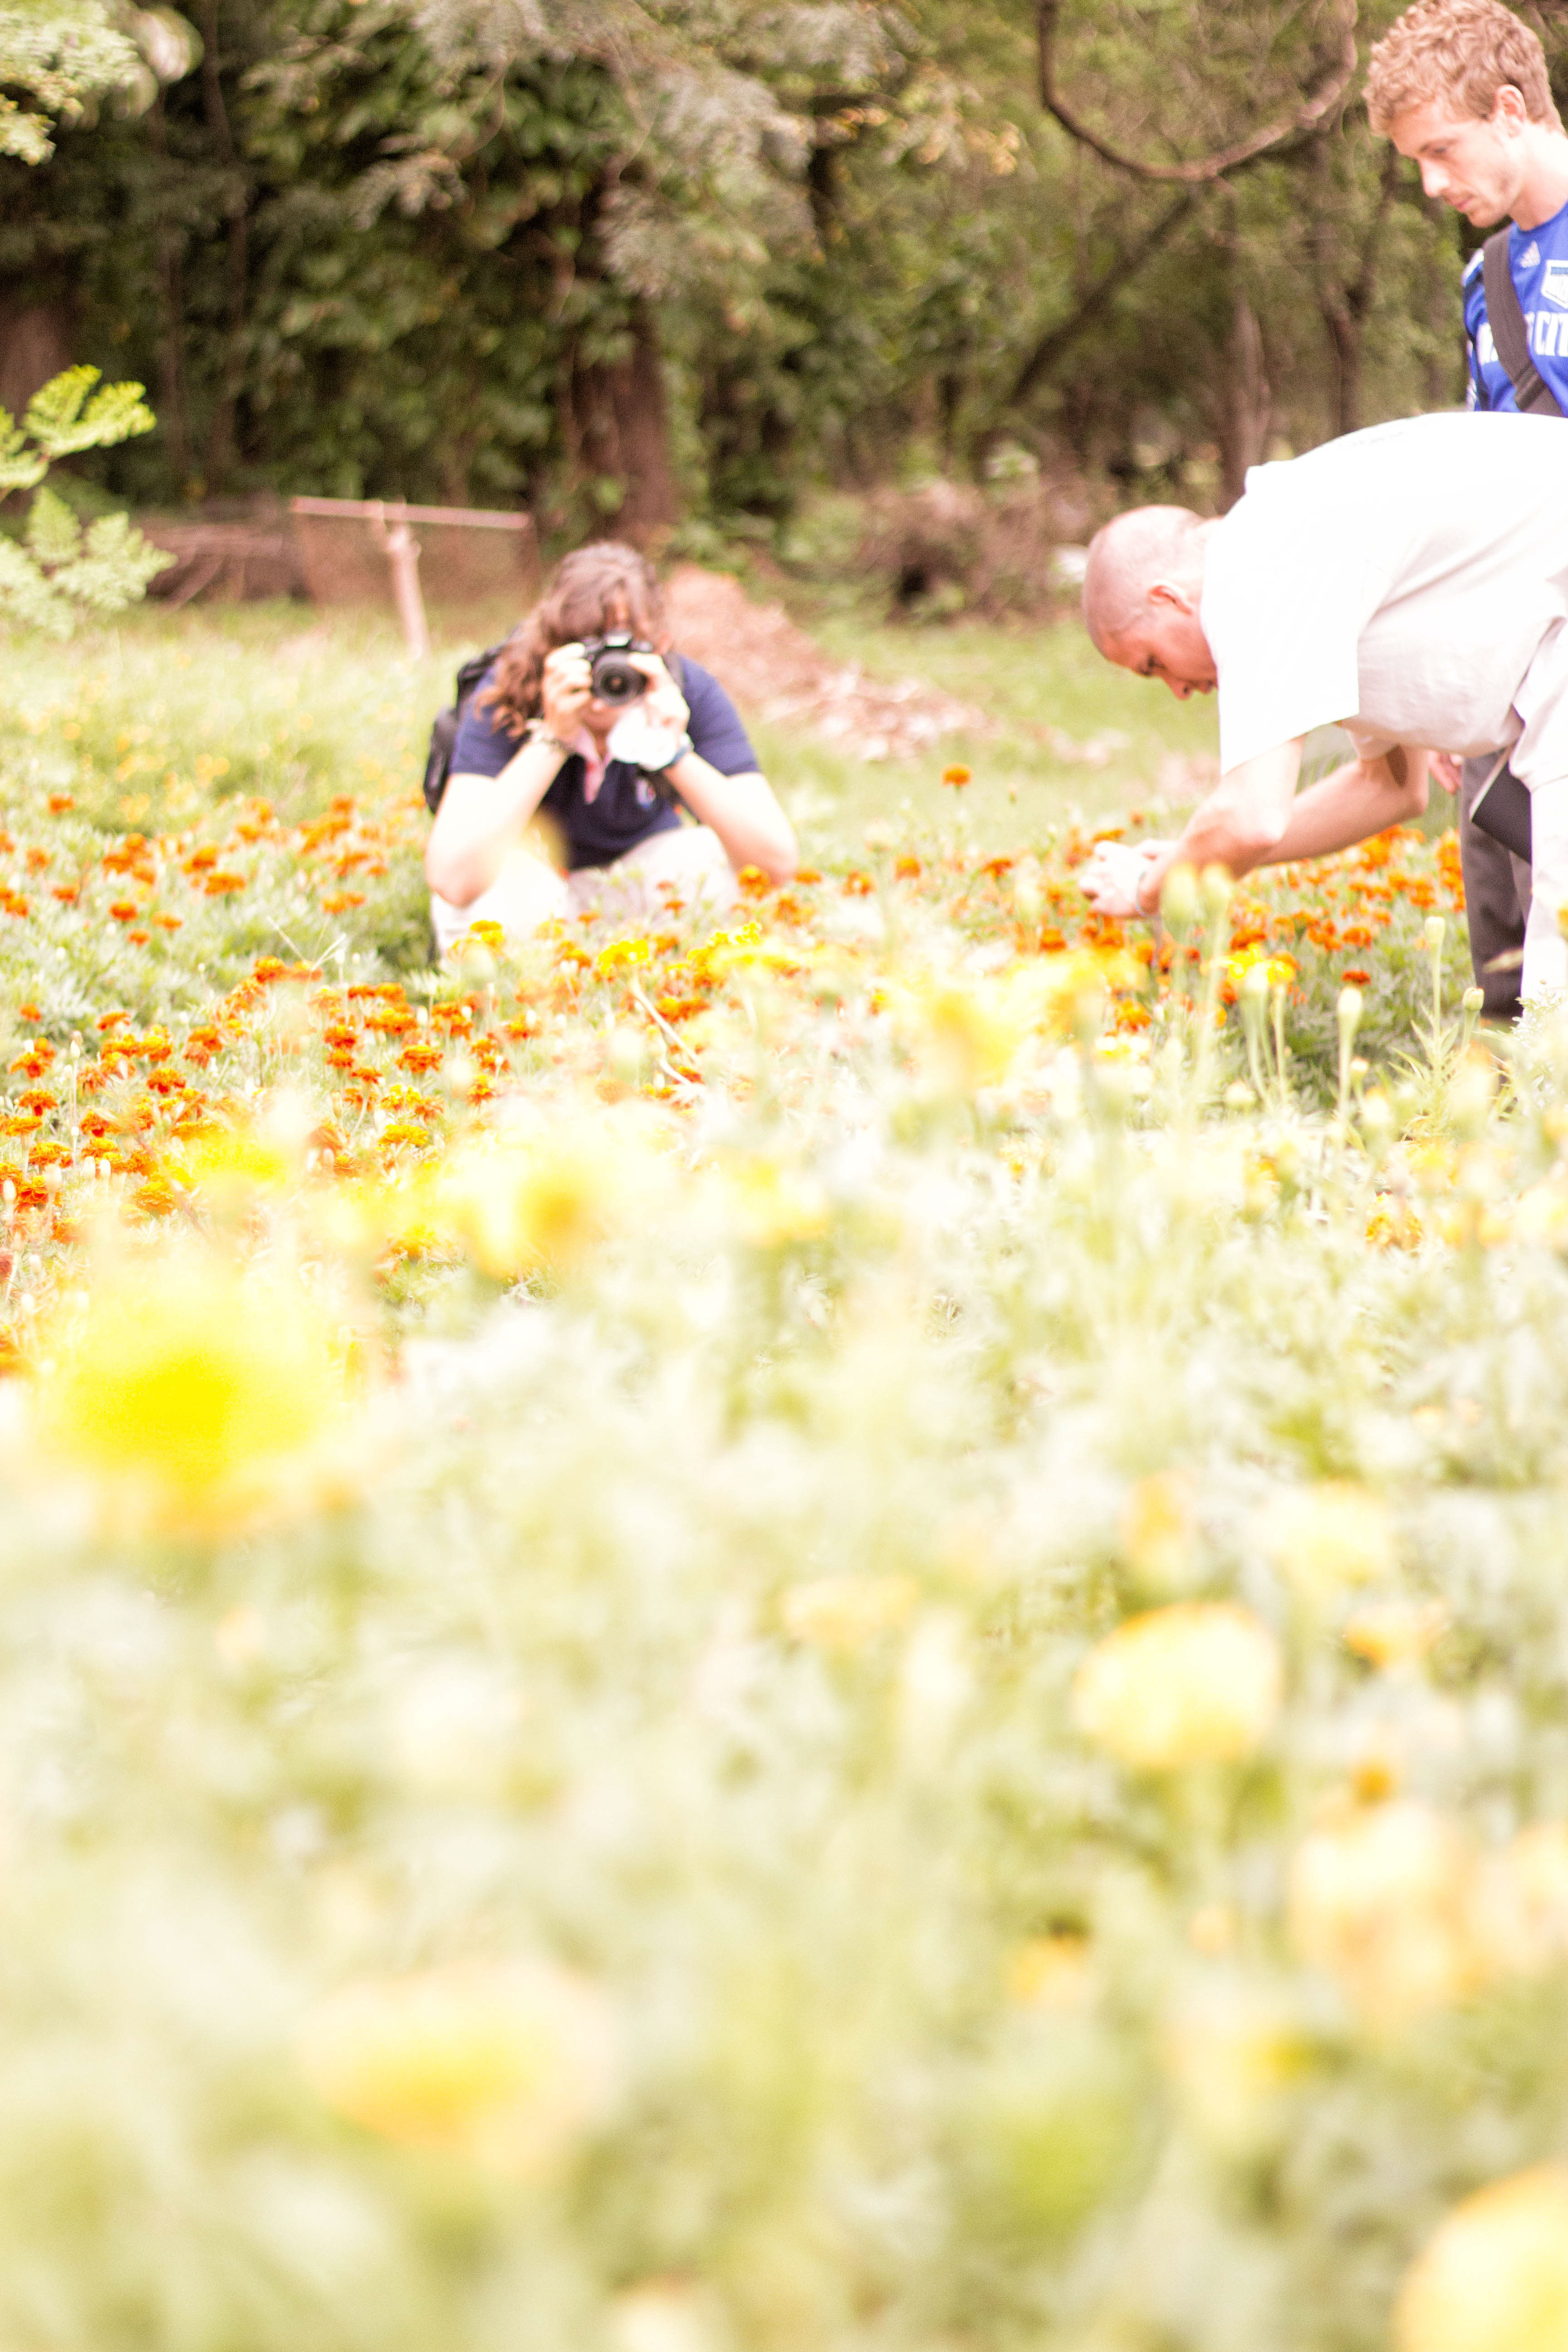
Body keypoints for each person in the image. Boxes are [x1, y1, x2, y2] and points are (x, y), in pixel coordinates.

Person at [1077, 410, 1568, 1004]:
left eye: (1152, 663)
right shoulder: (1300, 543)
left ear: (1167, 598)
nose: (1177, 690)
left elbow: (1250, 818)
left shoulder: (1252, 567)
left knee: (1558, 996)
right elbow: (1389, 787)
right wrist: (1191, 856)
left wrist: (1149, 890)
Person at [1365, 0, 1568, 1019]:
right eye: (1417, 160)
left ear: (1508, 109)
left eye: (1442, 149)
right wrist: (1455, 684)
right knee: (1508, 959)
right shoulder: (1485, 279)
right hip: (1516, 661)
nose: (1434, 182)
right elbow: (1486, 482)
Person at [425, 541, 796, 953]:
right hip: (540, 904)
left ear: (660, 646)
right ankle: (511, 1008)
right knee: (487, 891)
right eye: (589, 647)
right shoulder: (507, 689)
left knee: (713, 862)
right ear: (549, 646)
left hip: (641, 894)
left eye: (624, 647)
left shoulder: (687, 691)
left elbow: (776, 864)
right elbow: (452, 879)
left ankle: (681, 994)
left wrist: (672, 751)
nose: (607, 670)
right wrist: (552, 737)